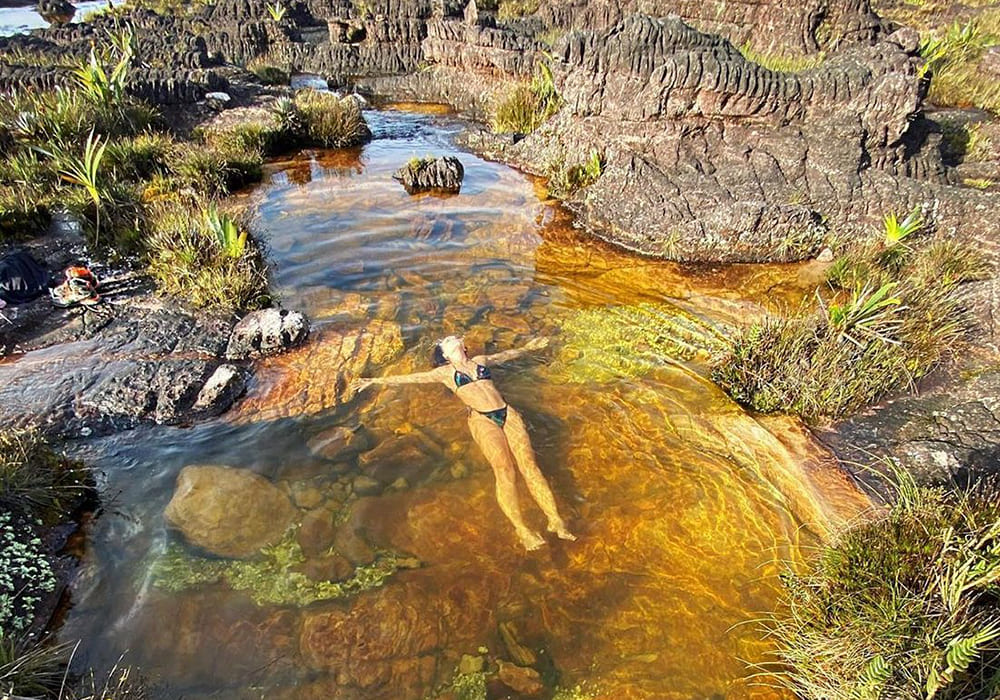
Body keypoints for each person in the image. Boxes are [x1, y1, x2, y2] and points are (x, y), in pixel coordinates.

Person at [352, 335, 576, 551]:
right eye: (447, 341)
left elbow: (505, 355)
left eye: (454, 338)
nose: (452, 339)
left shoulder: (480, 361)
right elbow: (411, 377)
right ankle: (522, 529)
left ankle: (555, 520)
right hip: (481, 419)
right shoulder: (445, 372)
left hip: (508, 413)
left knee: (529, 465)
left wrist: (529, 348)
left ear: (463, 347)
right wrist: (375, 380)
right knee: (504, 470)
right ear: (446, 355)